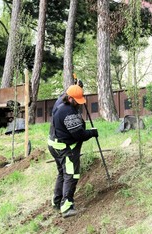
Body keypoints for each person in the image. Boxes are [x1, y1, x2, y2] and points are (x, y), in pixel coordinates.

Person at [48, 84, 98, 218]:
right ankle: (67, 206)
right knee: (71, 175)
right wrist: (92, 133)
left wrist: (77, 85)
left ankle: (57, 201)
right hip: (65, 149)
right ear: (70, 98)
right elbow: (79, 134)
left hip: (54, 144)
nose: (79, 103)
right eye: (77, 100)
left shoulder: (61, 102)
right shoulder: (68, 112)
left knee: (62, 173)